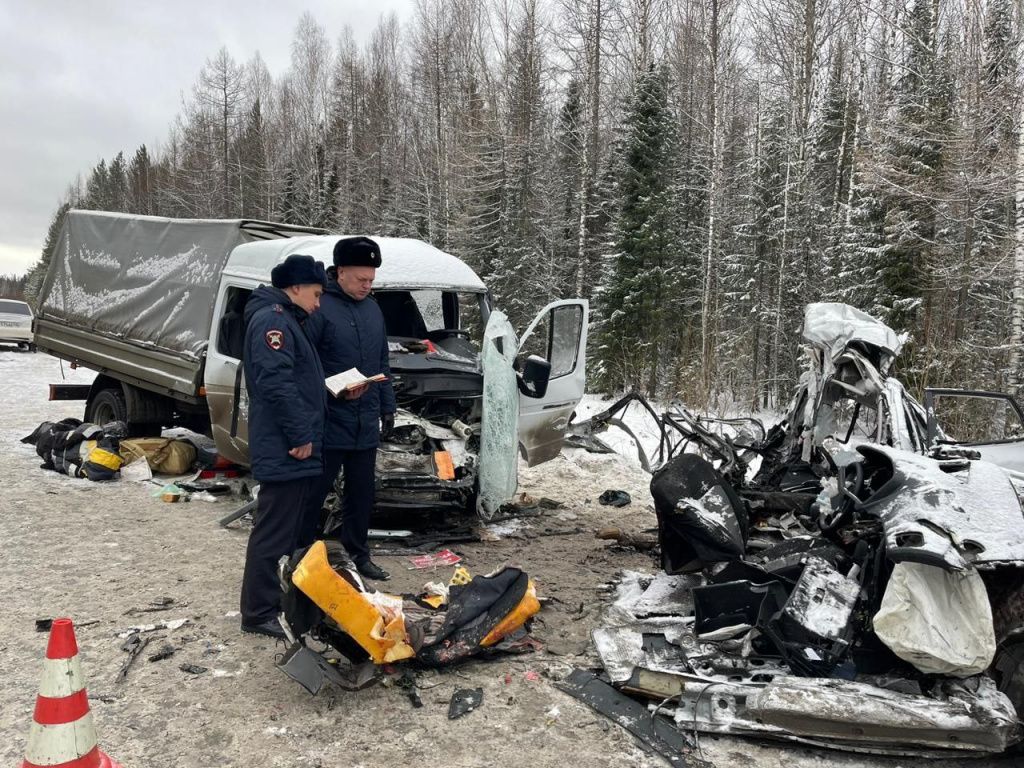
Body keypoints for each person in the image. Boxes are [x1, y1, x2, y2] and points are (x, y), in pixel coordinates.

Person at [239, 254, 328, 637]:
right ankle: (258, 612)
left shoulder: (287, 318)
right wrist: (300, 435)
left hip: (288, 443)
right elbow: (276, 384)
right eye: (316, 293)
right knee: (274, 529)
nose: (319, 302)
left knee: (287, 528)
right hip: (284, 445)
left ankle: (278, 601)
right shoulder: (274, 321)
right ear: (295, 287)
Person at [307, 236, 396, 581]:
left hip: (365, 420)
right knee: (313, 495)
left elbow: (382, 360)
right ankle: (303, 555)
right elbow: (305, 365)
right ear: (340, 272)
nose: (366, 285)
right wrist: (334, 390)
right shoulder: (319, 308)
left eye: (371, 280)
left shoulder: (373, 308)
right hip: (329, 421)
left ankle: (359, 555)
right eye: (361, 279)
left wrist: (387, 407)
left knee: (362, 495)